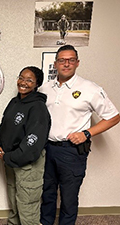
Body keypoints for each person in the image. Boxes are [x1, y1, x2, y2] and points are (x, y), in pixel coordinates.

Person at [40, 45, 120, 225]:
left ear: (77, 63)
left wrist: (87, 133)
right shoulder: (45, 89)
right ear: (56, 64)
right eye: (62, 60)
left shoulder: (89, 88)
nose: (66, 64)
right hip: (47, 150)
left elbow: (114, 117)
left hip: (72, 152)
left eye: (70, 60)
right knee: (47, 194)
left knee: (68, 198)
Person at [0, 66, 51, 225]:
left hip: (28, 164)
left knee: (27, 210)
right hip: (10, 161)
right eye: (21, 78)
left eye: (29, 80)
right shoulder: (15, 102)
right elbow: (5, 127)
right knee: (14, 204)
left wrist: (9, 156)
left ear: (36, 84)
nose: (23, 82)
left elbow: (33, 141)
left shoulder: (38, 107)